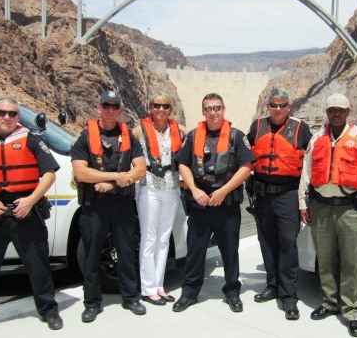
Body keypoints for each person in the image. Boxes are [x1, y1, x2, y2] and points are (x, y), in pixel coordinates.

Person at [0, 97, 63, 335]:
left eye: (12, 114)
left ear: (18, 118)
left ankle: (49, 310)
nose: (7, 117)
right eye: (2, 113)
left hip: (26, 212)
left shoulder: (31, 140)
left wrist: (31, 201)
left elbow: (50, 173)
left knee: (39, 265)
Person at [298, 93, 357, 337]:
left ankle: (352, 310)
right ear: (327, 112)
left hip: (349, 209)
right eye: (332, 109)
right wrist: (303, 202)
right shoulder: (316, 138)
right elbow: (307, 173)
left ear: (348, 111)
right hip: (321, 207)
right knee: (326, 258)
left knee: (352, 261)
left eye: (340, 110)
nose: (336, 113)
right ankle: (330, 302)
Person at [172, 93, 254, 313]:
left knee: (229, 250)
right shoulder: (192, 136)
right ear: (203, 112)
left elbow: (246, 167)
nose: (213, 112)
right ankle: (189, 293)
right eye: (208, 108)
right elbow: (182, 164)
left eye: (217, 108)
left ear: (224, 109)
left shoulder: (236, 137)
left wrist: (223, 191)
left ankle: (232, 292)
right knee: (195, 251)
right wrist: (194, 189)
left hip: (226, 204)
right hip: (200, 203)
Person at [71, 91, 147, 323]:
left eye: (115, 106)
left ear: (121, 111)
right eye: (106, 105)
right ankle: (92, 303)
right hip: (95, 206)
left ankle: (131, 297)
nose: (110, 110)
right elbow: (81, 172)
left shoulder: (129, 138)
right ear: (99, 108)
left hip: (122, 204)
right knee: (92, 255)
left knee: (126, 251)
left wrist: (111, 182)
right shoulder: (84, 138)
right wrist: (118, 176)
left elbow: (140, 169)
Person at [246, 88, 312, 320]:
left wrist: (306, 199)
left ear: (288, 107)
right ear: (268, 106)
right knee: (267, 242)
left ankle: (289, 296)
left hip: (288, 195)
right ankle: (272, 285)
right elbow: (245, 157)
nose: (277, 109)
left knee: (287, 243)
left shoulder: (300, 129)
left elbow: (311, 162)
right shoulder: (256, 127)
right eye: (273, 105)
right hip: (262, 195)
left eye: (282, 105)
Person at [132, 93, 186, 306]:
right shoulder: (139, 131)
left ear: (170, 109)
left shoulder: (179, 131)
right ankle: (147, 288)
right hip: (149, 188)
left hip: (172, 188)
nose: (160, 109)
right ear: (150, 108)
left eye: (165, 106)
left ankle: (159, 286)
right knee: (149, 238)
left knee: (164, 238)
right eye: (156, 105)